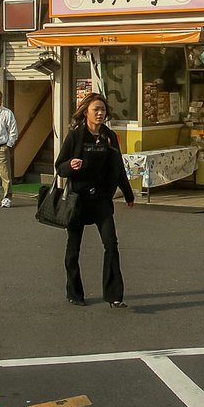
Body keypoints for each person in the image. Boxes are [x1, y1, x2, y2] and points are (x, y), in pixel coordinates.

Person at [53, 92, 135, 308]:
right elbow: (59, 167)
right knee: (73, 248)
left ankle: (114, 295)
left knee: (111, 244)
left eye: (103, 110)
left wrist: (128, 193)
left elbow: (118, 167)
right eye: (95, 110)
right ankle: (74, 292)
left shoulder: (109, 137)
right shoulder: (75, 136)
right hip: (78, 200)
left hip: (101, 200)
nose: (100, 113)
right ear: (86, 112)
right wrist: (70, 165)